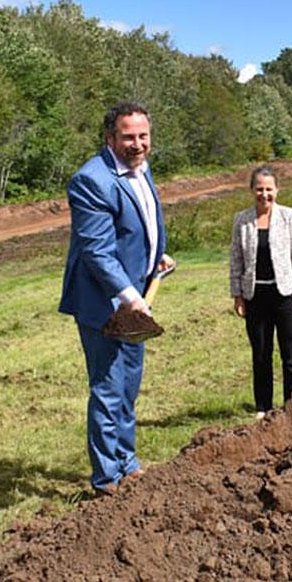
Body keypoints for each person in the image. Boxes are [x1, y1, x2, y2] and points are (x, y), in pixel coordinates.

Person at [59, 102, 174, 496]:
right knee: (108, 388)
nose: (137, 144)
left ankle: (127, 462)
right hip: (104, 303)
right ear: (111, 138)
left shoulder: (140, 169)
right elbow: (97, 252)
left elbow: (138, 227)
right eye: (128, 137)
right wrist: (128, 295)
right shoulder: (92, 180)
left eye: (143, 136)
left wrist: (155, 256)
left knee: (128, 385)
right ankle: (107, 478)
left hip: (136, 296)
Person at [230, 165, 292, 418]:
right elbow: (236, 260)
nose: (264, 194)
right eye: (259, 189)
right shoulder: (242, 220)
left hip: (285, 295)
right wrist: (237, 295)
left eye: (269, 189)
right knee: (261, 354)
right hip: (255, 296)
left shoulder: (289, 216)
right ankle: (263, 407)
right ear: (251, 190)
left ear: (277, 189)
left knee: (291, 353)